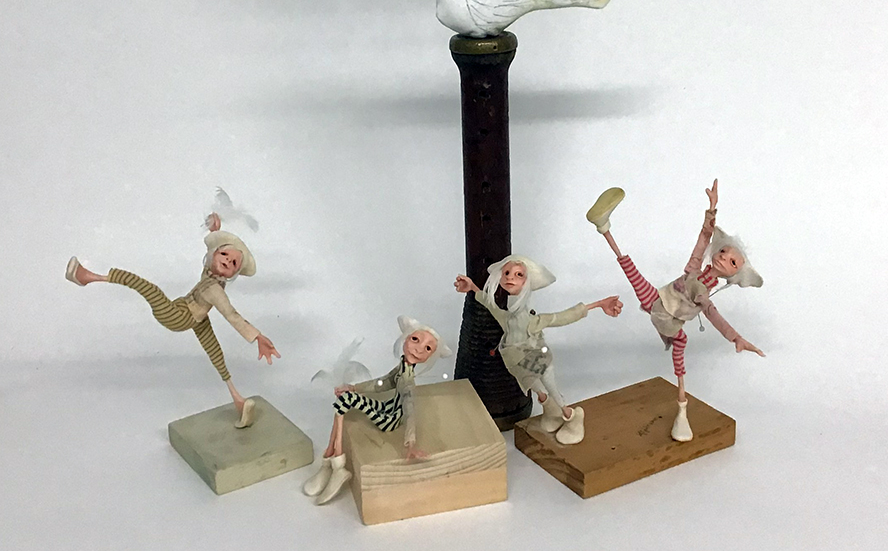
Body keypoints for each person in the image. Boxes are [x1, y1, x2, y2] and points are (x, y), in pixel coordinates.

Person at [64, 211, 279, 428]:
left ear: (233, 274)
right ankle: (238, 400)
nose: (227, 260)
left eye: (233, 263)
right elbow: (212, 250)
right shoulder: (210, 272)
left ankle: (87, 276)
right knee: (214, 351)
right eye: (224, 254)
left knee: (147, 288)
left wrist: (257, 337)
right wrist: (215, 230)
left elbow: (232, 316)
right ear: (215, 254)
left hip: (179, 317)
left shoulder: (216, 290)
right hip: (188, 311)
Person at [586, 180, 764, 442]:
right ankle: (603, 226)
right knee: (630, 269)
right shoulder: (695, 270)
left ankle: (682, 406)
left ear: (735, 274)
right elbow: (703, 239)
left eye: (732, 261)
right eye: (724, 251)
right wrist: (711, 209)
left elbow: (713, 314)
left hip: (664, 315)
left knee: (677, 338)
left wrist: (734, 337)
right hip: (658, 305)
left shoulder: (702, 288)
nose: (723, 257)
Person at [454, 255, 622, 444]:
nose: (510, 277)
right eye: (507, 273)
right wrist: (472, 287)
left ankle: (572, 417)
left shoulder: (532, 320)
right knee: (537, 390)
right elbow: (489, 304)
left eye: (518, 274)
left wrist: (598, 304)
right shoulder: (507, 318)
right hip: (517, 364)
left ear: (527, 281)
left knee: (552, 389)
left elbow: (563, 316)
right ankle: (552, 412)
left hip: (538, 359)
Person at [303, 316, 452, 505]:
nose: (419, 349)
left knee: (345, 402)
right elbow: (383, 383)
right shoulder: (402, 368)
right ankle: (330, 460)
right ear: (405, 338)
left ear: (430, 356)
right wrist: (354, 387)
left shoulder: (407, 381)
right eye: (415, 339)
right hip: (387, 407)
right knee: (343, 401)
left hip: (389, 419)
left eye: (428, 348)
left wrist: (411, 442)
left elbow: (410, 410)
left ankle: (337, 463)